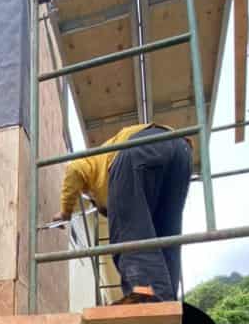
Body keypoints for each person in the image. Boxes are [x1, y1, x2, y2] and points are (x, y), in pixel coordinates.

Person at [52, 123, 192, 303]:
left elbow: (74, 169)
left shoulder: (94, 163)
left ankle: (145, 294)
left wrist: (65, 212)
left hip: (140, 148)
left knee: (128, 231)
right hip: (181, 151)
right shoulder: (106, 170)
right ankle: (167, 300)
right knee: (165, 235)